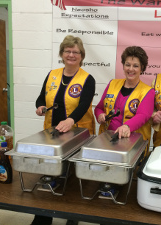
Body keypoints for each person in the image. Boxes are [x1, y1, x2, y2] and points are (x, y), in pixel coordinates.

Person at [34, 35, 96, 225]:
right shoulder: (52, 74)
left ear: (81, 55)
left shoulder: (87, 78)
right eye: (67, 51)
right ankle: (43, 219)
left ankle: (72, 219)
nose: (71, 55)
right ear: (62, 53)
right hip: (53, 134)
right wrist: (40, 107)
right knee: (49, 175)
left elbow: (84, 105)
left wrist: (71, 120)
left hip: (77, 134)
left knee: (73, 180)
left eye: (75, 52)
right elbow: (41, 98)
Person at [95, 46, 154, 157]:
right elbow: (99, 108)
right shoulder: (112, 84)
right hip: (107, 141)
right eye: (127, 65)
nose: (130, 69)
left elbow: (143, 115)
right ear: (123, 66)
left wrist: (127, 126)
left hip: (132, 145)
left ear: (142, 68)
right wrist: (100, 115)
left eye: (135, 66)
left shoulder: (148, 91)